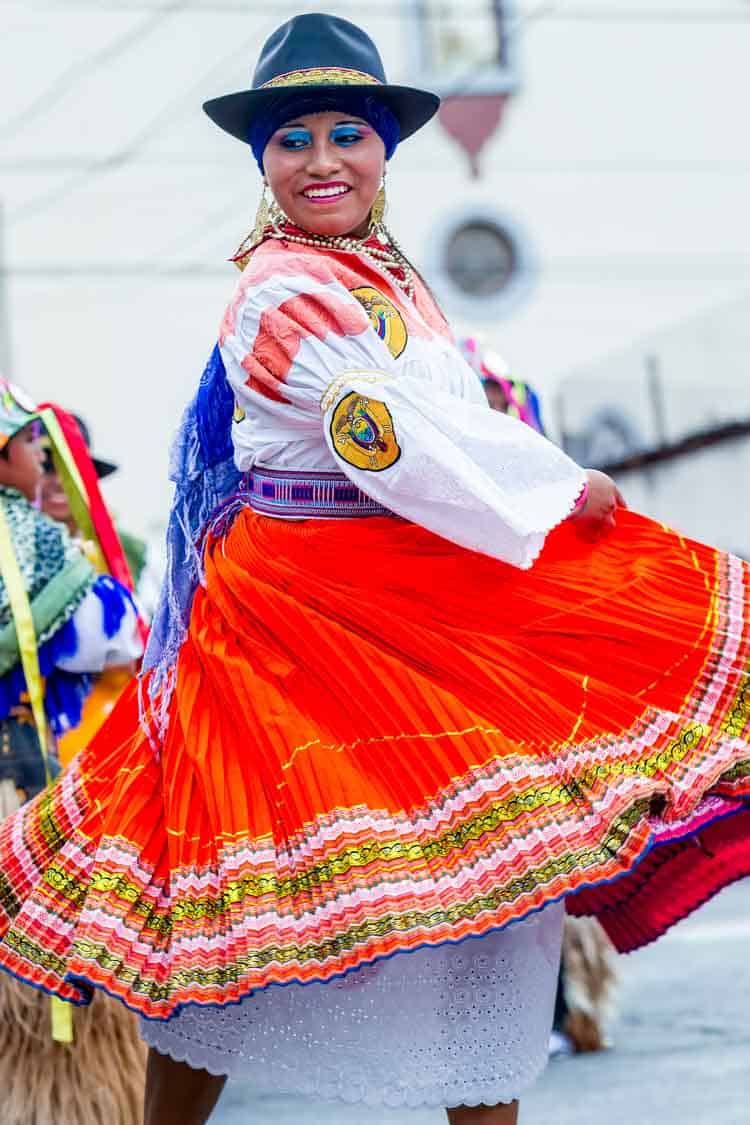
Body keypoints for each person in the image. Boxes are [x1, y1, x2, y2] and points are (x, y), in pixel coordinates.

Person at [0, 16, 749, 1125]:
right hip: (296, 629)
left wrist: (541, 485)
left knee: (484, 892)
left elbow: (439, 417)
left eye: (346, 132)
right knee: (238, 928)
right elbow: (393, 437)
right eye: (293, 139)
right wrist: (552, 488)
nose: (322, 160)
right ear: (263, 162)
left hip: (403, 601)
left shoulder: (386, 282)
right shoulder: (280, 294)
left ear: (384, 150)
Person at [0, 379, 146, 1125]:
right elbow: (113, 633)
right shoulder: (29, 543)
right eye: (31, 445)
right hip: (38, 785)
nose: (43, 464)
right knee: (59, 961)